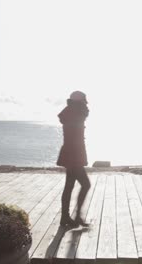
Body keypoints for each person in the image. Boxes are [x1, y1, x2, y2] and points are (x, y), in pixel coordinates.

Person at [57, 91, 91, 227]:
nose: (86, 104)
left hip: (70, 152)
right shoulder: (77, 112)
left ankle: (65, 217)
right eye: (84, 101)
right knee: (85, 184)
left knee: (69, 186)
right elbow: (84, 114)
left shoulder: (71, 111)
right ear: (79, 102)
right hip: (74, 154)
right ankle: (76, 217)